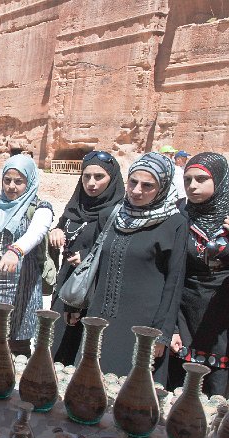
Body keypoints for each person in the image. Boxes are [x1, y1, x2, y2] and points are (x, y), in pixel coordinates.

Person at [85, 153, 187, 379]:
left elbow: (174, 283)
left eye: (148, 185)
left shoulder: (174, 224)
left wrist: (162, 333)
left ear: (162, 187)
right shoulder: (111, 215)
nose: (137, 190)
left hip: (142, 329)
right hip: (100, 321)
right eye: (133, 182)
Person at [0, 154, 54, 356]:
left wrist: (15, 250)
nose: (11, 187)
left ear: (30, 181)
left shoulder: (41, 209)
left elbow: (36, 233)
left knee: (18, 351)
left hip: (21, 295)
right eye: (7, 180)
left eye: (19, 181)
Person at [48, 151, 124, 365]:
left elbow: (120, 253)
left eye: (99, 177)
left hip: (92, 292)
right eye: (86, 176)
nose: (91, 183)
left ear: (113, 179)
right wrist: (56, 231)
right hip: (66, 288)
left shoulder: (117, 213)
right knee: (55, 350)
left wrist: (90, 259)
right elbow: (66, 226)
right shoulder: (76, 205)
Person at [168, 153, 229, 396]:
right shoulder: (178, 213)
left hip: (222, 313)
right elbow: (168, 272)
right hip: (185, 307)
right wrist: (170, 327)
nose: (192, 186)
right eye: (187, 179)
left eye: (201, 179)